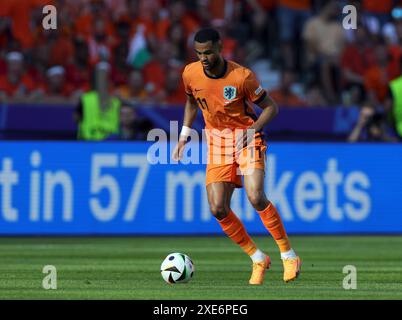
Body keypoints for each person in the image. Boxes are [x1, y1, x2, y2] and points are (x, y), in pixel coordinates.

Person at [172, 28, 301, 285]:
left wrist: (252, 131)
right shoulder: (190, 72)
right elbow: (191, 102)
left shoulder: (242, 77)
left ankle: (288, 254)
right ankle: (257, 258)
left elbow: (271, 108)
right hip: (217, 143)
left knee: (255, 196)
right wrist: (184, 136)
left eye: (208, 52)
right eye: (199, 53)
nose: (204, 58)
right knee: (218, 208)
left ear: (220, 48)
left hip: (247, 136)